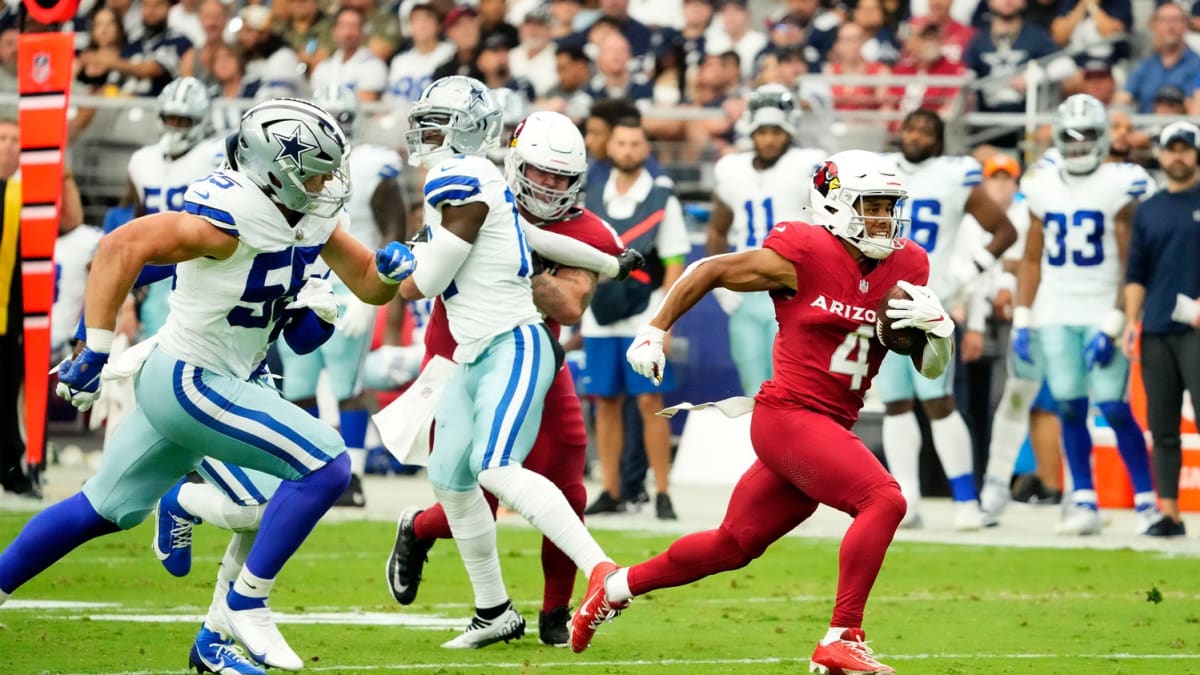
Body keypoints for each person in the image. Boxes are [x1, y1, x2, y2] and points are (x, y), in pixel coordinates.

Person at [0, 97, 417, 672]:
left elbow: (367, 284)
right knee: (326, 467)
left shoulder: (308, 214)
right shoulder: (229, 216)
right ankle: (247, 601)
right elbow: (121, 249)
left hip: (217, 379)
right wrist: (92, 345)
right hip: (193, 379)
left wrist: (390, 273)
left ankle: (210, 638)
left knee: (101, 509)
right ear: (276, 172)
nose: (328, 182)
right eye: (317, 170)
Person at [571, 150, 955, 675]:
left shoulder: (908, 263)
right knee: (883, 499)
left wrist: (940, 332)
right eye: (872, 206)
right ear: (836, 206)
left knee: (733, 545)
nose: (885, 220)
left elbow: (928, 367)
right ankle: (843, 636)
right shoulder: (804, 251)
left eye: (890, 207)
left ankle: (613, 586)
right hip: (788, 415)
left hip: (828, 425)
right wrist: (655, 329)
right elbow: (711, 269)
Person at [387, 76, 625, 649]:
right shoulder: (479, 188)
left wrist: (525, 268)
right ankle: (460, 573)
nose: (548, 186)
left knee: (558, 483)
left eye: (561, 178)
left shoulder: (502, 198)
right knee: (463, 485)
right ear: (516, 162)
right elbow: (469, 247)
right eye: (541, 172)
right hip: (458, 352)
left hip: (526, 348)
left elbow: (568, 301)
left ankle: (562, 606)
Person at [1014, 93, 1159, 536]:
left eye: (1087, 136)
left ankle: (1148, 501)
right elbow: (1032, 256)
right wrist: (1023, 314)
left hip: (1101, 306)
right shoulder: (1042, 182)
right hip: (1055, 309)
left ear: (1103, 138)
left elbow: (1133, 258)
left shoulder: (1121, 181)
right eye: (1070, 137)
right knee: (1069, 407)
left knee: (1115, 407)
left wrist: (1118, 318)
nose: (1078, 145)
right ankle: (1083, 499)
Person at [879, 109, 1016, 530]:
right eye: (911, 127)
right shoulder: (877, 172)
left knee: (939, 401)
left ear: (939, 140)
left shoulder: (955, 175)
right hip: (884, 302)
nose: (917, 135)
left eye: (926, 130)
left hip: (926, 303)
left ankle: (965, 500)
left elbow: (1004, 230)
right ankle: (907, 500)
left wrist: (974, 267)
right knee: (895, 404)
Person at [274, 84, 406, 508]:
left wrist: (374, 293)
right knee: (297, 385)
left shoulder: (371, 166)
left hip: (350, 287)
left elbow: (394, 233)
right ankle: (309, 469)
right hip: (299, 282)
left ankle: (353, 477)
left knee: (349, 384)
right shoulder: (287, 164)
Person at [581, 118, 691, 520]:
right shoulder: (590, 193)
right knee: (605, 401)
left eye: (635, 143)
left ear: (645, 150)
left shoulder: (662, 197)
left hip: (645, 313)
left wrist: (665, 320)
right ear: (610, 148)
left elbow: (676, 260)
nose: (627, 149)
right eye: (621, 142)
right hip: (598, 313)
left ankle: (661, 491)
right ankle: (609, 489)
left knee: (649, 401)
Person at [707, 84, 825, 396]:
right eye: (762, 131)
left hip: (793, 289)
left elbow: (832, 226)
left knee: (792, 386)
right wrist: (719, 284)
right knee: (753, 388)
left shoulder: (809, 165)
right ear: (751, 130)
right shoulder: (731, 170)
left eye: (776, 130)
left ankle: (793, 446)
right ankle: (760, 446)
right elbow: (718, 229)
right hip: (747, 288)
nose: (769, 139)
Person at [1122, 121, 1200, 537]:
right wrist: (1131, 323)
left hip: (1197, 332)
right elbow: (1136, 272)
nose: (1178, 156)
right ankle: (1169, 513)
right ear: (1161, 153)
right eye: (1172, 149)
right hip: (1156, 328)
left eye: (1186, 149)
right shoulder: (1150, 208)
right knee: (1163, 426)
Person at [123, 76, 226, 340]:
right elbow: (137, 217)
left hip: (199, 265)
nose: (175, 126)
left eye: (184, 120)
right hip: (155, 266)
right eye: (170, 118)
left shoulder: (215, 156)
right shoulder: (141, 160)